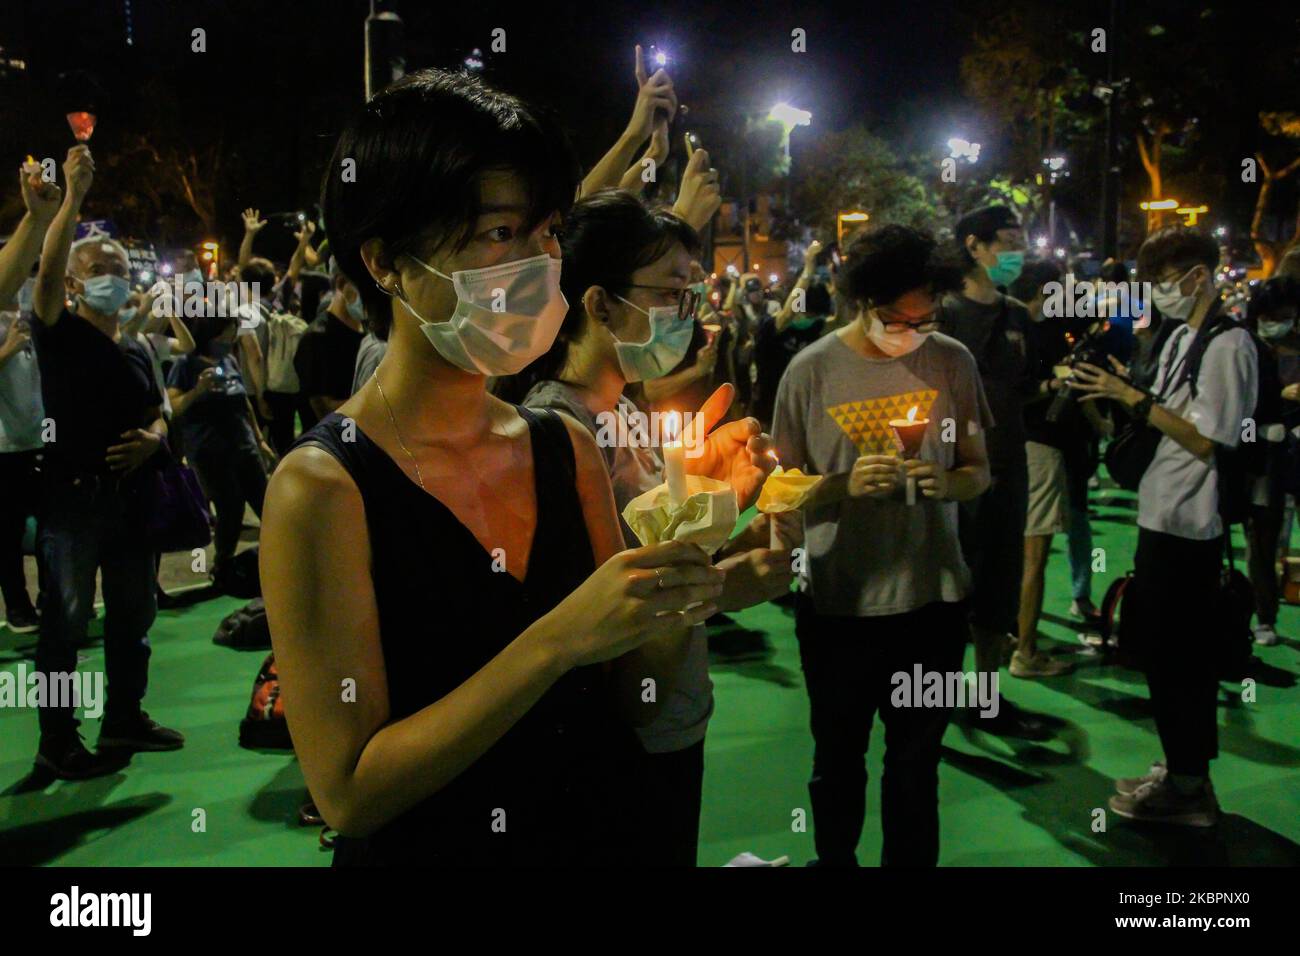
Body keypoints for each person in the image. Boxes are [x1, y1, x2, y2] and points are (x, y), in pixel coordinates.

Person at [261, 69, 723, 867]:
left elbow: (630, 697)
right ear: (387, 262)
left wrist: (682, 581)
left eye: (547, 232)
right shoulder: (324, 487)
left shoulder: (560, 444)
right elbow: (348, 790)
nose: (541, 263)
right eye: (500, 234)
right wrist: (554, 642)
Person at [501, 189, 786, 866]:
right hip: (620, 738)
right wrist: (713, 580)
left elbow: (658, 544)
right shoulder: (558, 431)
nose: (691, 317)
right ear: (599, 305)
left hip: (671, 713)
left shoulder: (624, 411)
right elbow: (594, 621)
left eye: (696, 294)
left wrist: (720, 513)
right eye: (676, 295)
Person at [773, 224, 992, 866]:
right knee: (837, 761)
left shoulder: (952, 360)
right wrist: (841, 484)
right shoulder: (810, 371)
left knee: (916, 768)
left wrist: (945, 482)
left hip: (933, 604)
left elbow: (980, 470)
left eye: (928, 318)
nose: (913, 331)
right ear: (863, 302)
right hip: (840, 604)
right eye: (899, 318)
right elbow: (777, 490)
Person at [1072, 227, 1258, 827]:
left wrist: (1127, 394)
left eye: (1163, 281)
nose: (1158, 293)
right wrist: (1131, 385)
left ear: (1197, 276)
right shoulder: (1183, 337)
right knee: (1160, 655)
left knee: (1183, 660)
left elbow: (1208, 436)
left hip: (1191, 526)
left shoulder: (1230, 346)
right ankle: (1182, 770)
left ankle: (1189, 790)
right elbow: (1171, 409)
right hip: (1162, 516)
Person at [30, 145, 184, 778]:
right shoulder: (57, 331)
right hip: (73, 501)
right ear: (73, 280)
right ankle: (57, 741)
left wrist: (155, 436)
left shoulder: (138, 347)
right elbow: (42, 274)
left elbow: (162, 410)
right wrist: (73, 199)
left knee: (132, 618)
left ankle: (123, 718)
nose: (112, 275)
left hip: (133, 504)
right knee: (64, 627)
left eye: (120, 266)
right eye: (98, 266)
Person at [938, 205, 1047, 737]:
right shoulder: (944, 313)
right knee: (948, 583)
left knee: (998, 585)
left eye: (1021, 242)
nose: (1016, 253)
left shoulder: (1018, 316)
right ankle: (933, 698)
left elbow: (1030, 386)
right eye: (1006, 242)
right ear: (974, 246)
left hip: (1009, 467)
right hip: (954, 473)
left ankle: (985, 696)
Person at [166, 313, 273, 592]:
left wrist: (259, 439)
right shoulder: (185, 365)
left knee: (268, 505)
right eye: (225, 334)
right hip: (209, 451)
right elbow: (174, 408)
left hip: (244, 445)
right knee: (230, 508)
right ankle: (222, 567)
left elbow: (243, 404)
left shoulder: (230, 360)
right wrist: (198, 391)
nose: (229, 340)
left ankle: (278, 562)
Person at [1006, 259, 1076, 676]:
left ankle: (1013, 635)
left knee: (1014, 554)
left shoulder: (1006, 330)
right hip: (1040, 447)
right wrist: (1054, 384)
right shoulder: (1035, 334)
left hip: (1008, 449)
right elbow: (1024, 391)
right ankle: (1026, 653)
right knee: (1035, 556)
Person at [0, 158, 61, 634]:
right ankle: (17, 607)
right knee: (5, 534)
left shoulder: (31, 314)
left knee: (51, 531)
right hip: (4, 447)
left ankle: (50, 603)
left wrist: (45, 217)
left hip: (38, 439)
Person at [1241, 276, 1300, 646]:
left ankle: (1265, 611)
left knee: (1269, 534)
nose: (1283, 321)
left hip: (1288, 455)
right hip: (1259, 459)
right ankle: (1260, 615)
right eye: (1277, 315)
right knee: (1260, 536)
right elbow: (1239, 413)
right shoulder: (1245, 347)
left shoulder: (1293, 347)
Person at [752, 240, 830, 429]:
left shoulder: (816, 327)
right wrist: (808, 270)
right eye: (808, 312)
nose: (810, 317)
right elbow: (790, 313)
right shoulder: (771, 327)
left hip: (806, 412)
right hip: (770, 412)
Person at [293, 264, 365, 420]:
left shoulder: (368, 331)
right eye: (363, 288)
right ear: (341, 284)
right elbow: (324, 409)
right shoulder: (317, 338)